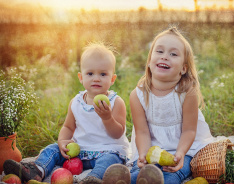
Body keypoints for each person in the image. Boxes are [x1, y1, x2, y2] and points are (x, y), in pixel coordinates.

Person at [4, 43, 130, 184]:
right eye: (90, 73)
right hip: (79, 150)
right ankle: (36, 170)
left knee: (110, 162)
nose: (96, 78)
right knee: (52, 149)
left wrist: (107, 118)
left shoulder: (115, 102)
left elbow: (118, 133)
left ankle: (93, 179)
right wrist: (62, 141)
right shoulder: (76, 102)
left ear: (112, 79)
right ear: (80, 77)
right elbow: (68, 127)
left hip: (107, 150)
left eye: (103, 74)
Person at [104, 26, 214, 184]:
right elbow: (142, 132)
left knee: (170, 177)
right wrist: (143, 154)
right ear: (149, 61)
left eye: (173, 54)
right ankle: (123, 180)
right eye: (160, 51)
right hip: (150, 149)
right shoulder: (138, 95)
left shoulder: (187, 93)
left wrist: (181, 154)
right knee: (140, 171)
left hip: (181, 149)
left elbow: (189, 130)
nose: (165, 57)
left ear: (184, 68)